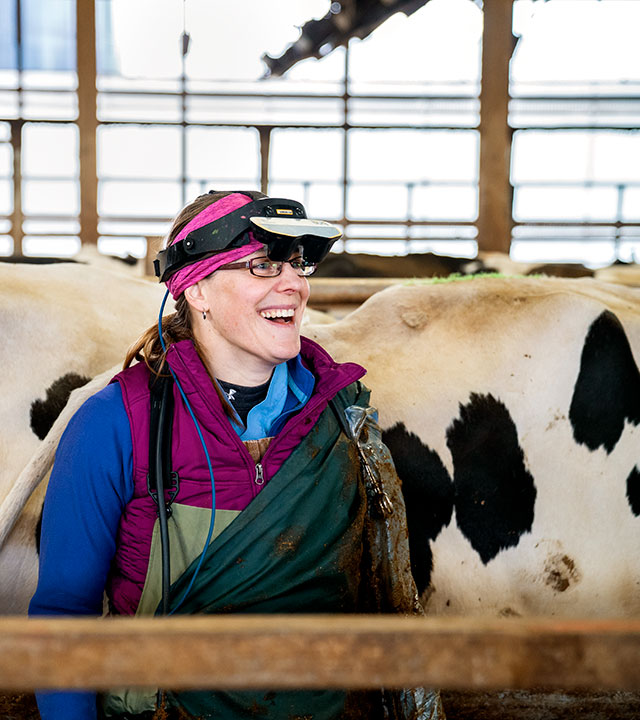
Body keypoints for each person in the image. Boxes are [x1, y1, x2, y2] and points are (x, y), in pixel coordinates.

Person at [29, 190, 442, 720]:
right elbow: (64, 613)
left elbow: (389, 602)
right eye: (263, 265)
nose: (294, 284)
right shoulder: (116, 423)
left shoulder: (343, 417)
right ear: (197, 287)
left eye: (297, 264)